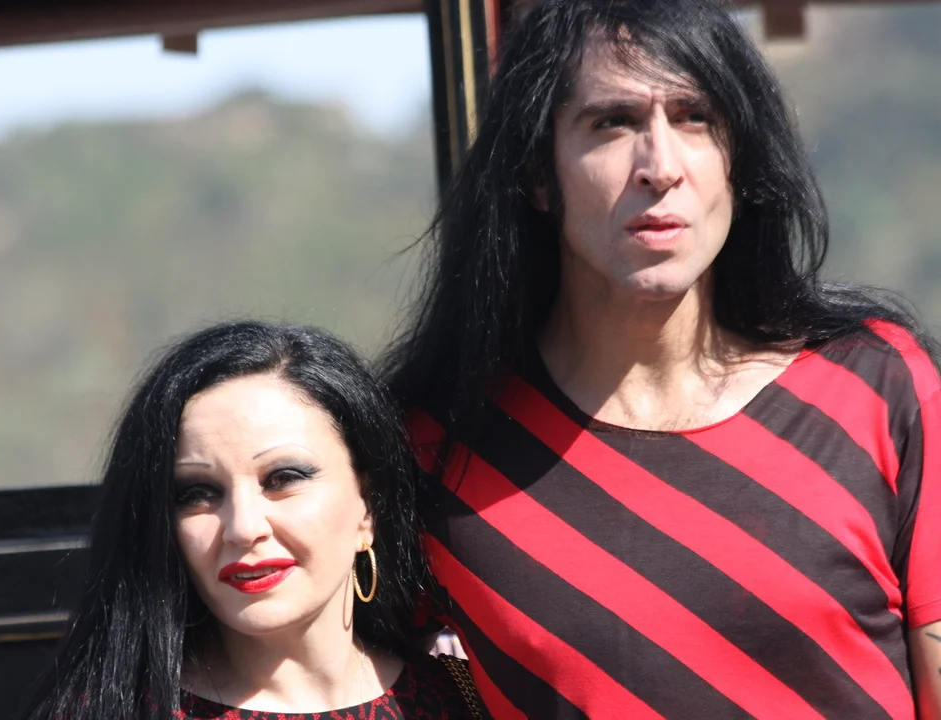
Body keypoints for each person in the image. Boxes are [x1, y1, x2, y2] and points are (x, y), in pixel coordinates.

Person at [380, 0, 941, 717]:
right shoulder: (436, 448)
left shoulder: (876, 388)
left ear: (739, 161)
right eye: (613, 123)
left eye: (695, 117)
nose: (660, 167)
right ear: (538, 175)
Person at [23, 321, 476, 720]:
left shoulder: (465, 698)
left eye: (283, 478)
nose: (243, 528)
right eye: (197, 493)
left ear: (368, 506)